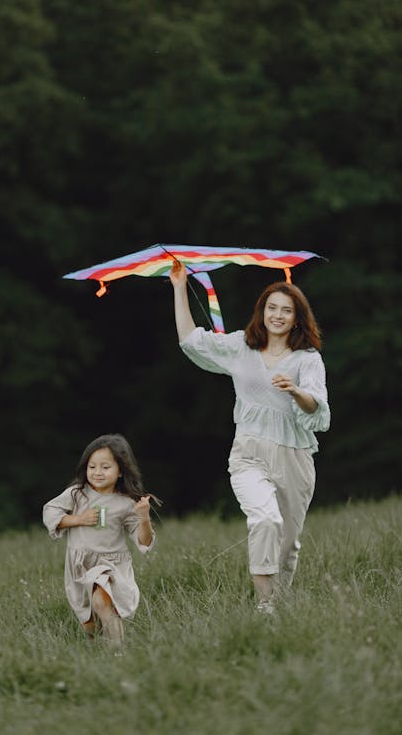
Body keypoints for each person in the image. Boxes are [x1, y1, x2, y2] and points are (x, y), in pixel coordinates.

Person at [170, 261, 330, 613]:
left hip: (295, 457)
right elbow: (191, 340)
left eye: (286, 311)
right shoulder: (242, 346)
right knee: (265, 519)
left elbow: (317, 407)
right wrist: (180, 286)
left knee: (287, 543)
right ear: (262, 312)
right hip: (249, 453)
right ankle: (265, 606)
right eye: (272, 308)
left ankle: (281, 605)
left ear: (297, 318)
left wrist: (294, 391)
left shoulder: (308, 359)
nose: (277, 315)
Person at [43, 434, 159, 645]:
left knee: (102, 601)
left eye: (105, 467)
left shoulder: (125, 503)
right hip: (79, 563)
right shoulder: (77, 494)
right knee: (90, 624)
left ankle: (118, 652)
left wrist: (144, 518)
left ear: (121, 471)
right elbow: (50, 512)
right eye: (92, 466)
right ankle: (99, 651)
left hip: (111, 564)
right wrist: (78, 519)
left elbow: (144, 542)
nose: (97, 472)